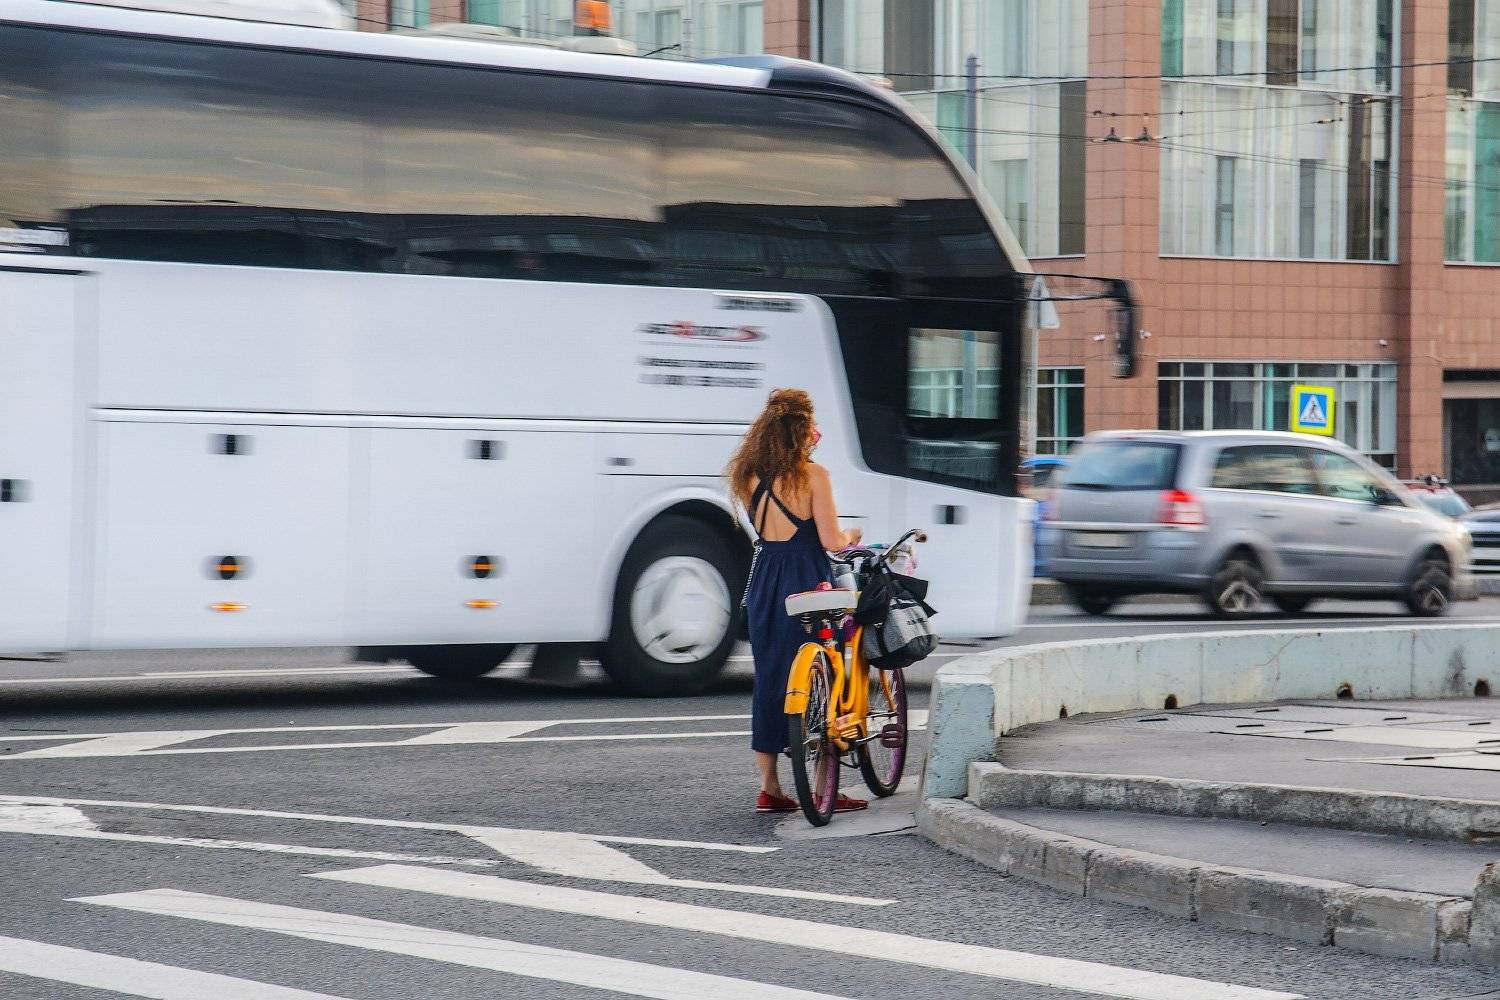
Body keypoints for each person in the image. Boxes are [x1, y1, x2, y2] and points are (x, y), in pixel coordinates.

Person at [726, 388, 868, 814]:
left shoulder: (748, 477)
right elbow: (832, 542)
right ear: (804, 431)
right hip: (807, 580)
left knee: (772, 676)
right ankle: (825, 787)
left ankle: (769, 787)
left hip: (765, 581)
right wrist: (853, 535)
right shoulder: (813, 476)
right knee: (825, 674)